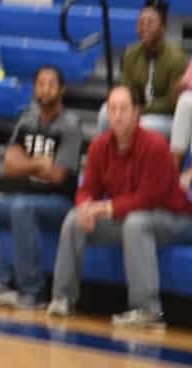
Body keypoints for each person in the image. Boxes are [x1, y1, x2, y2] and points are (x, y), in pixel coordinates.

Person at [48, 84, 192, 328]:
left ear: (136, 113)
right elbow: (86, 189)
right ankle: (62, 299)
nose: (116, 115)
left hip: (175, 218)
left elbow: (147, 198)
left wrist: (103, 209)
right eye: (112, 108)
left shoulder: (155, 145)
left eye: (123, 109)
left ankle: (147, 310)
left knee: (136, 224)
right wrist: (85, 207)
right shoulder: (99, 146)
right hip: (130, 216)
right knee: (74, 219)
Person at [0, 66, 82, 309]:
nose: (45, 88)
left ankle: (34, 292)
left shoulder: (71, 126)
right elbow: (8, 166)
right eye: (41, 83)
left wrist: (26, 163)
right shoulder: (27, 119)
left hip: (59, 204)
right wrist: (37, 164)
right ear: (34, 89)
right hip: (24, 197)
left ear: (61, 90)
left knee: (22, 207)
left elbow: (57, 175)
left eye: (51, 83)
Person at [96, 0, 187, 138]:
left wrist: (140, 110)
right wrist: (129, 108)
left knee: (144, 124)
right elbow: (126, 89)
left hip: (166, 117)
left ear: (163, 27)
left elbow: (172, 102)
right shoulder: (131, 53)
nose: (144, 27)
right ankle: (106, 155)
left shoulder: (176, 58)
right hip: (137, 110)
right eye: (141, 23)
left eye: (150, 23)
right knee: (105, 113)